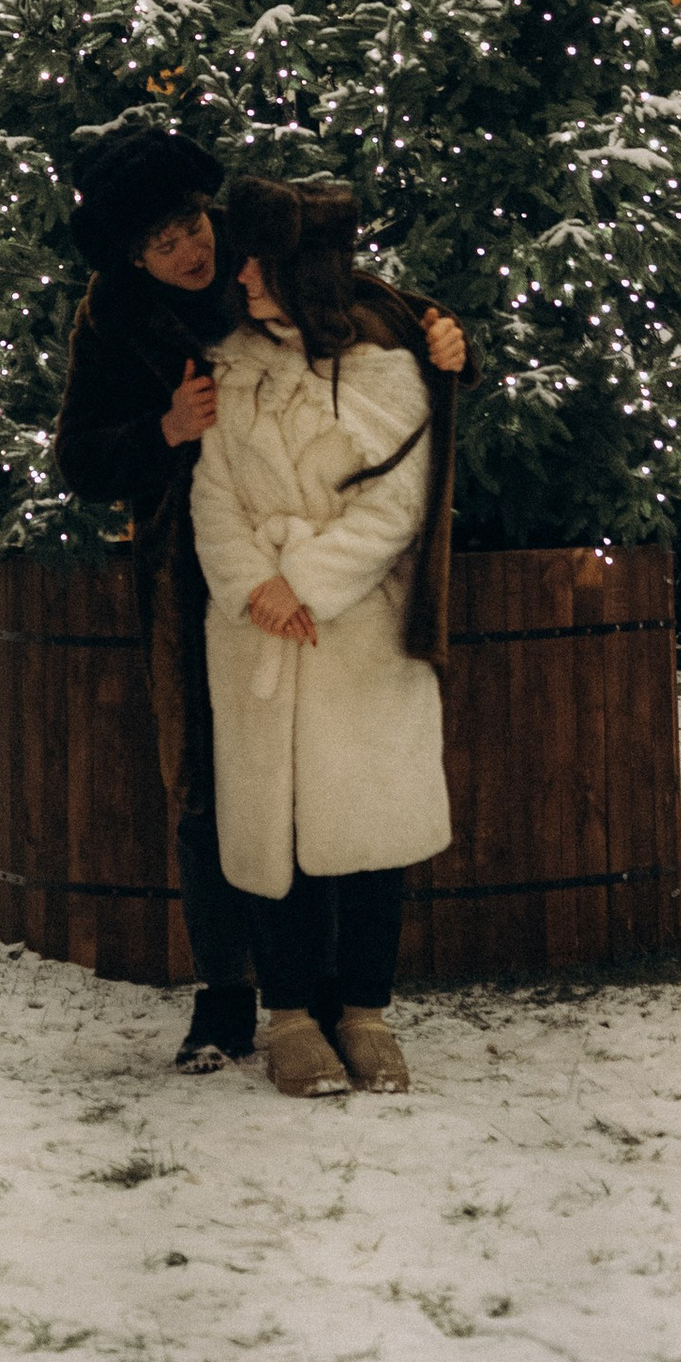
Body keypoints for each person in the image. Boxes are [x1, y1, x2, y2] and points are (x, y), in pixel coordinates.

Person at [52, 122, 463, 1077]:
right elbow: (78, 456)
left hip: (327, 571)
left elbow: (373, 312)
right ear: (131, 256)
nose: (193, 254)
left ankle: (337, 998)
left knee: (333, 771)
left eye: (192, 227)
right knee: (209, 782)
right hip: (192, 565)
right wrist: (161, 429)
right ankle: (231, 996)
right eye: (162, 244)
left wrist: (448, 339)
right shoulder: (112, 316)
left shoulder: (259, 244)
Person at [189, 174, 456, 1098]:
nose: (243, 277)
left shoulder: (387, 371)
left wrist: (304, 582)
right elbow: (214, 496)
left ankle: (368, 1013)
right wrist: (254, 585)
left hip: (357, 633)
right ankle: (292, 1018)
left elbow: (400, 505)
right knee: (273, 833)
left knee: (369, 831)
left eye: (261, 262)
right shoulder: (230, 363)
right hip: (257, 633)